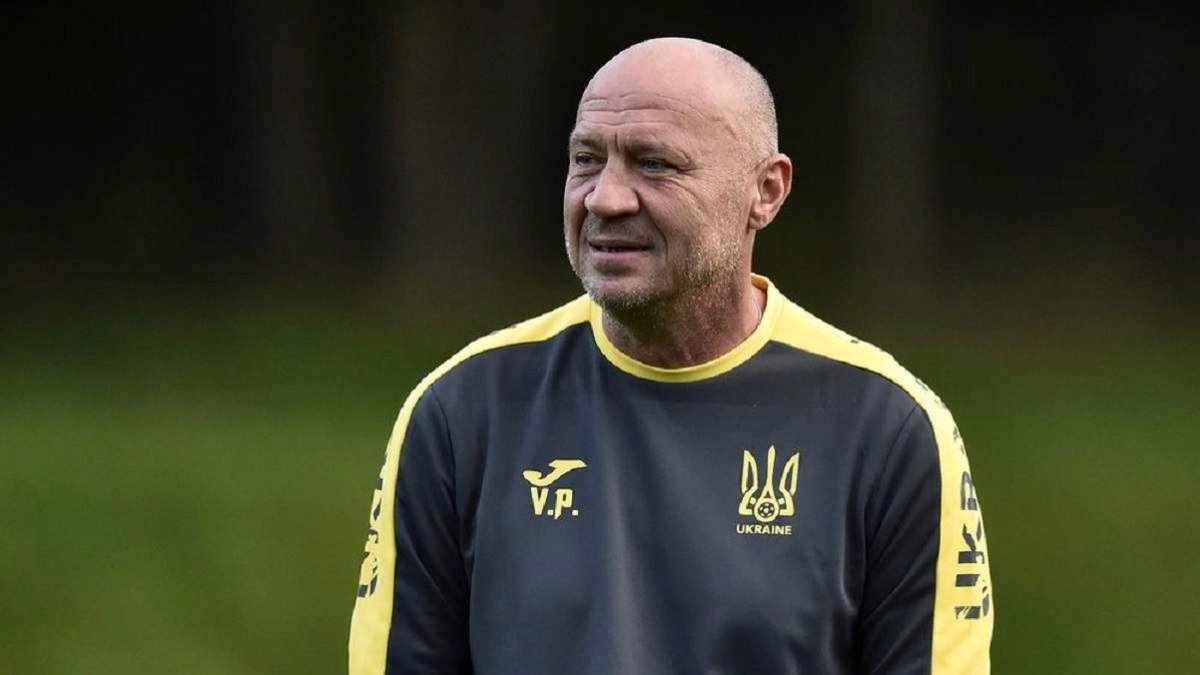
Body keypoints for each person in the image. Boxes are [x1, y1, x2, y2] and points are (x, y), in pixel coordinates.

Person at [349, 37, 993, 674]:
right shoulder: (463, 412)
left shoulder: (886, 429)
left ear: (766, 191)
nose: (605, 198)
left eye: (654, 163)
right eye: (586, 160)